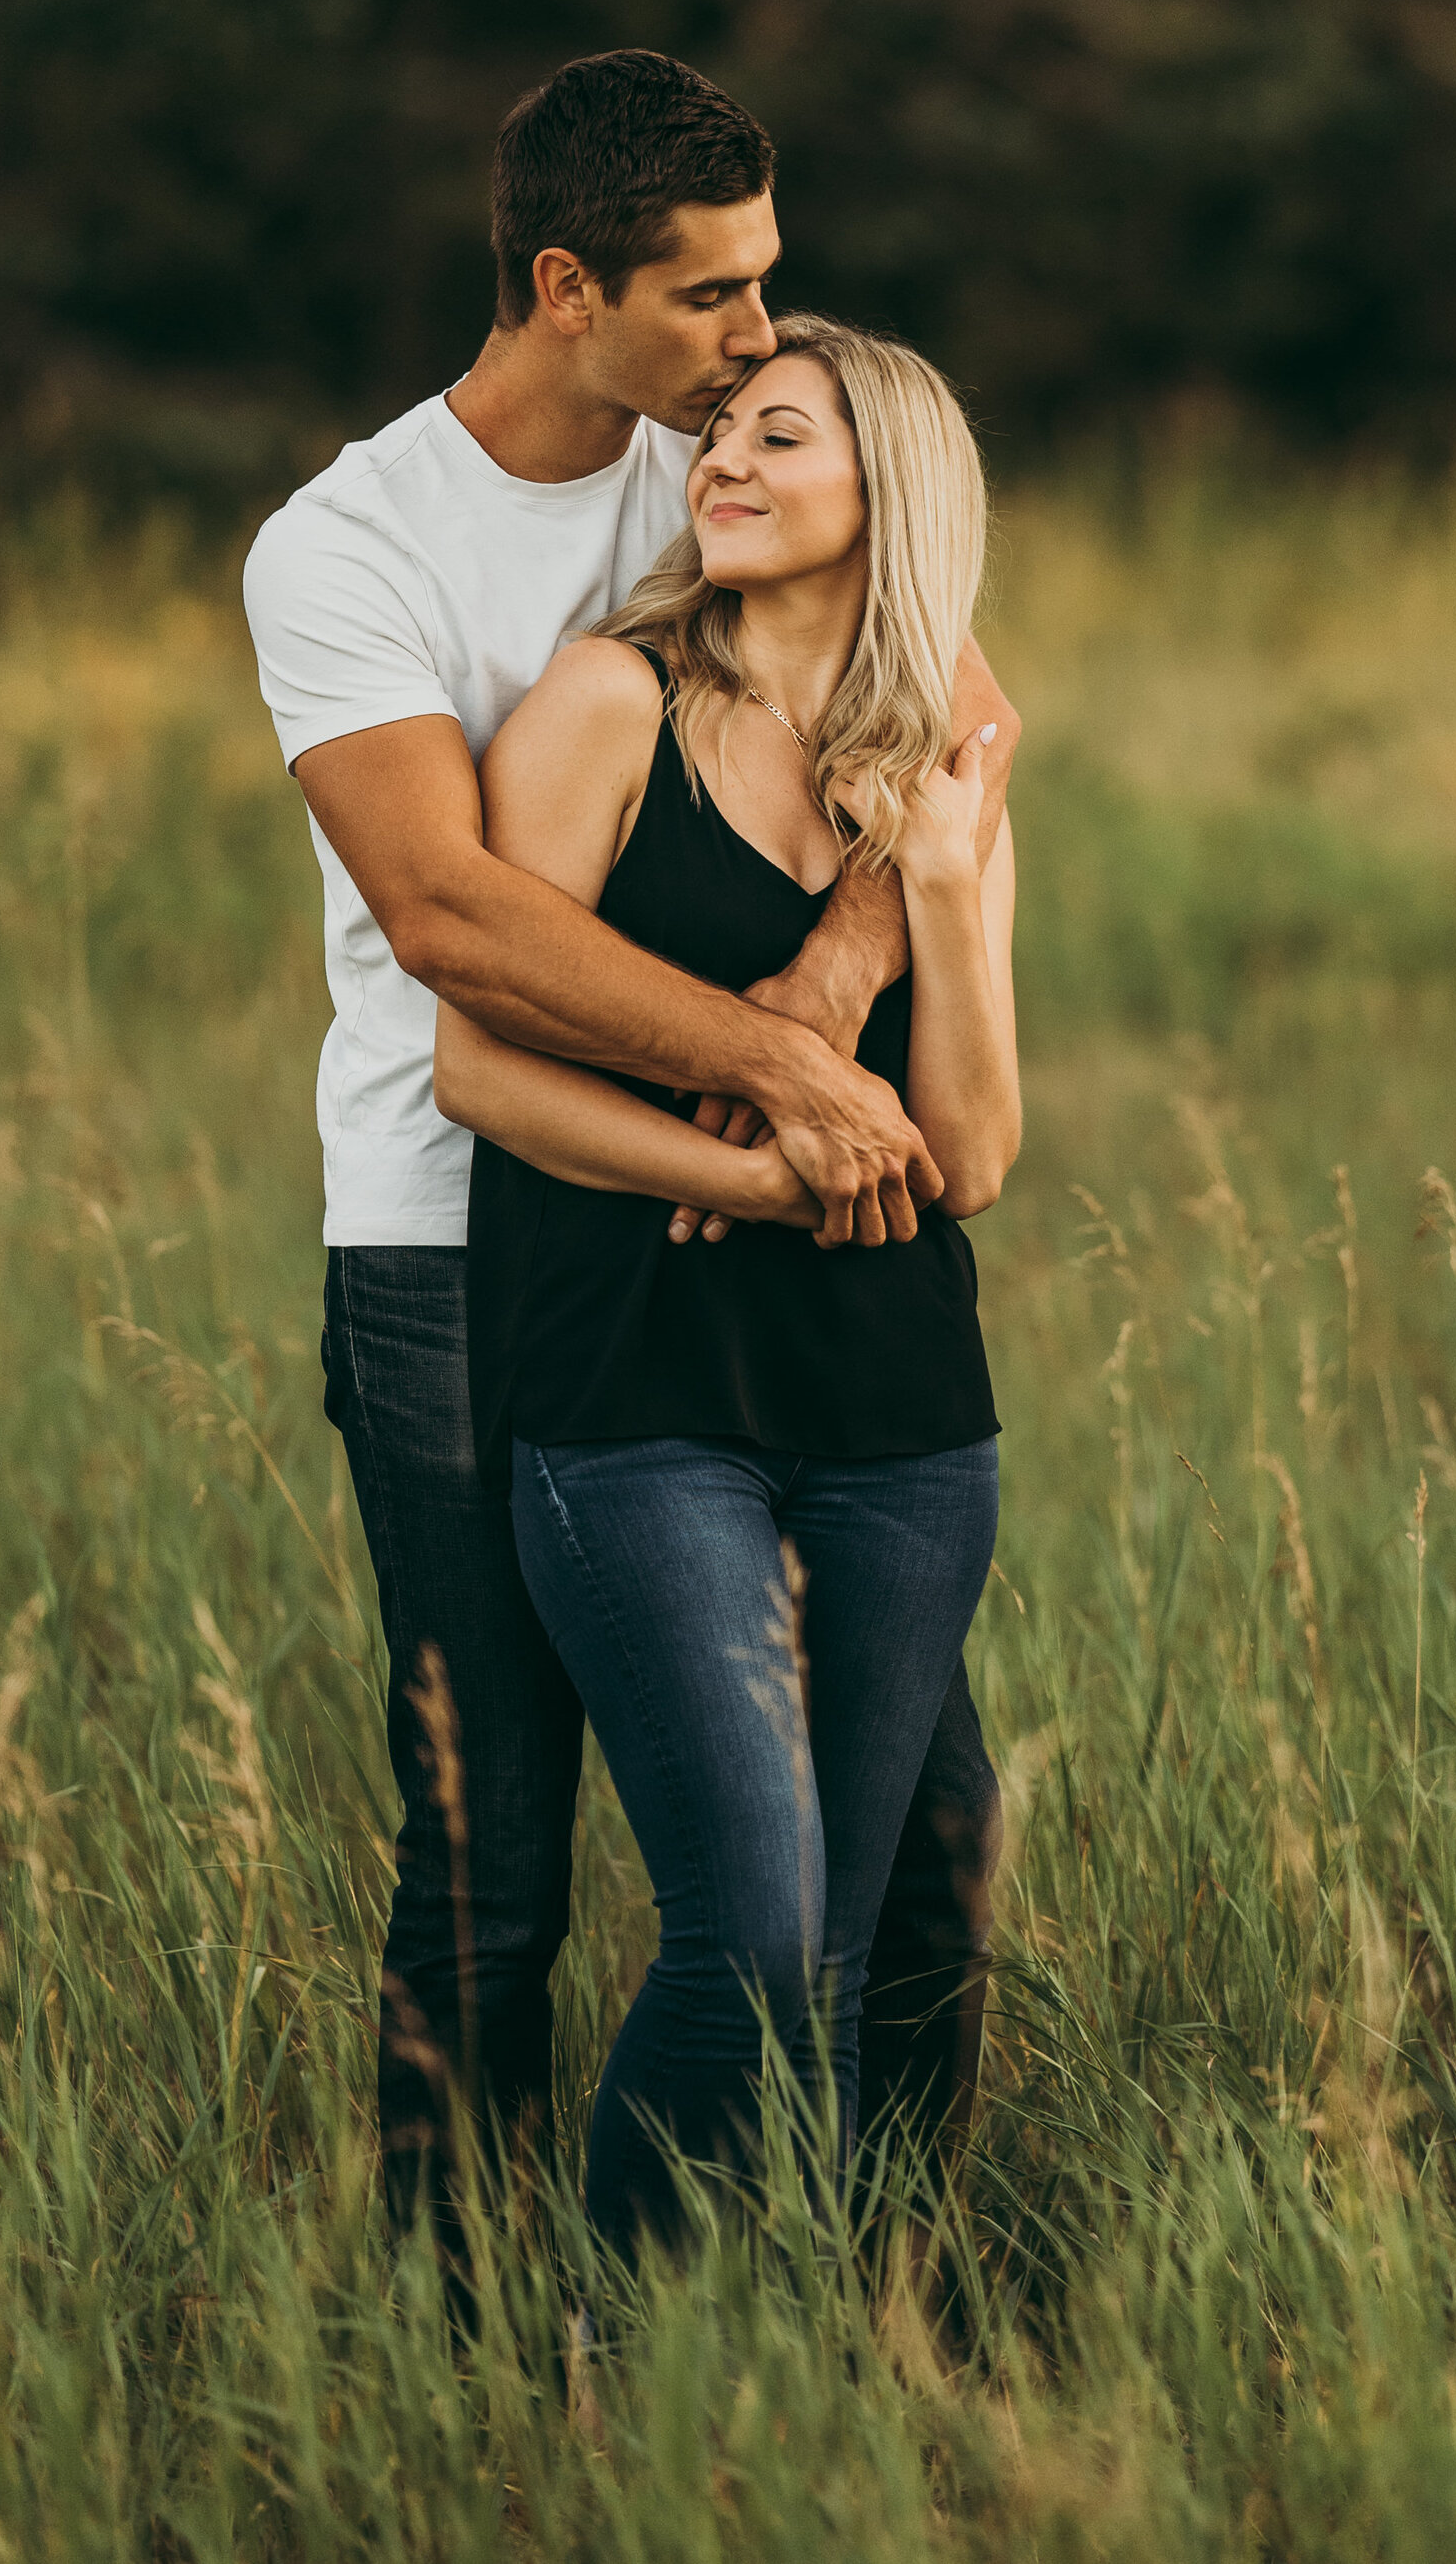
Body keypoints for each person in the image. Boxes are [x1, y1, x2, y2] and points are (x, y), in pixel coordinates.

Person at [240, 51, 1018, 2245]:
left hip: (768, 1264)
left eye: (769, 293)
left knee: (917, 1836)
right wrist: (775, 1085)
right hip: (449, 1244)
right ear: (567, 288)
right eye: (712, 302)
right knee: (491, 1841)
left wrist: (831, 986)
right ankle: (453, 2330)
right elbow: (451, 920)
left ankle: (869, 2289)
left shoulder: (732, 469)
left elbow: (950, 712)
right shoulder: (351, 546)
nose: (760, 342)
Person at [436, 318, 1016, 2250]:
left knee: (849, 1961)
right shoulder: (610, 706)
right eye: (726, 433)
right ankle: (614, 2373)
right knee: (751, 1932)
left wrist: (937, 882)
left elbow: (980, 1155)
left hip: (900, 1423)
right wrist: (744, 1174)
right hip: (630, 1398)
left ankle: (813, 2368)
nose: (729, 462)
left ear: (893, 493)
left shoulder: (931, 766)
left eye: (784, 437)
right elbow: (482, 1064)